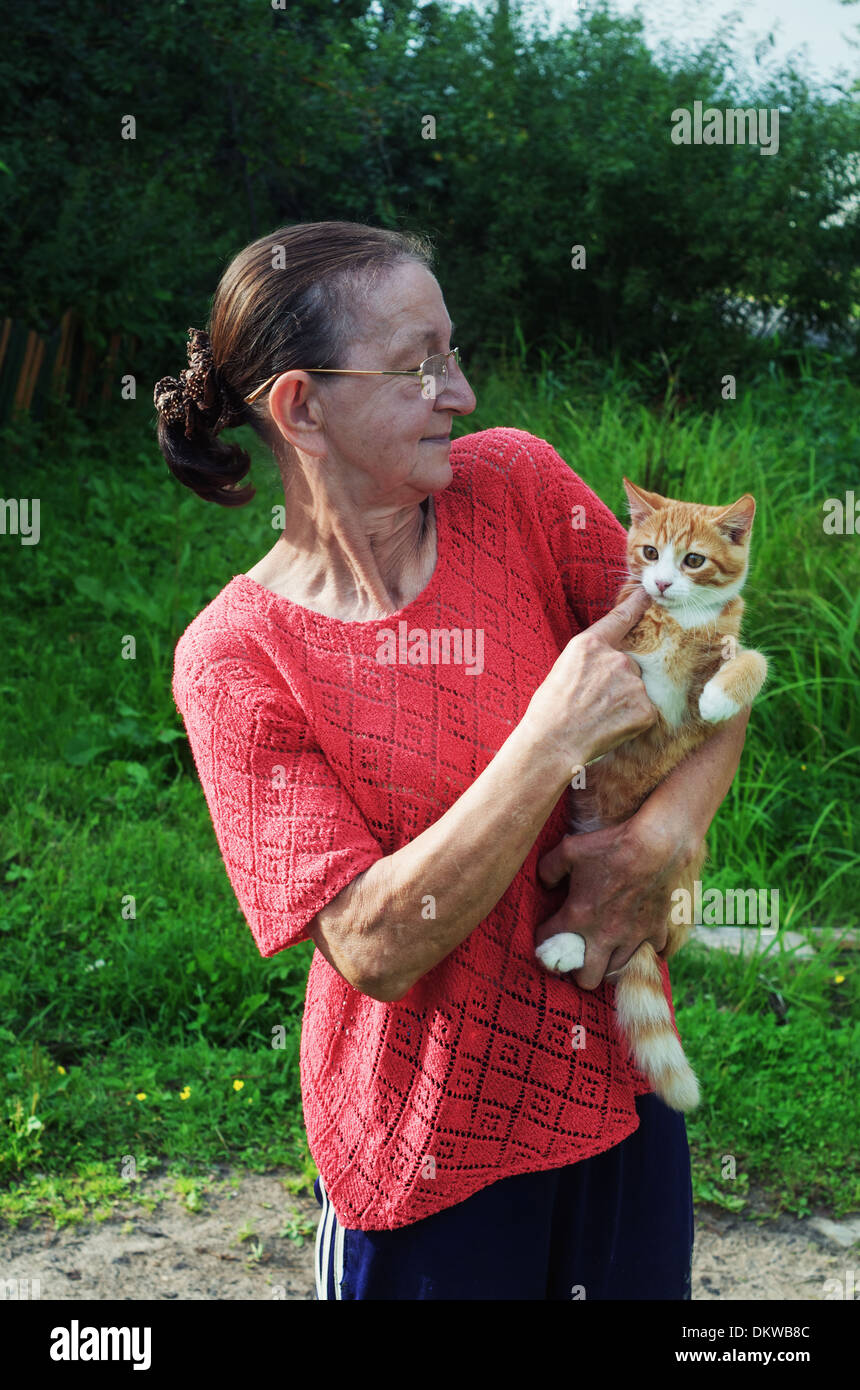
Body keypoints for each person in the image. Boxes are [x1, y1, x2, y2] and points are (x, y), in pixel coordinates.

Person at [155, 220, 749, 1301]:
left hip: (620, 1100)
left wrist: (661, 837)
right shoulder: (235, 660)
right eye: (416, 367)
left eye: (453, 351)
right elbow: (375, 946)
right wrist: (548, 738)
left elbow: (709, 666)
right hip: (429, 1160)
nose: (460, 393)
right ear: (301, 407)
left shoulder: (515, 486)